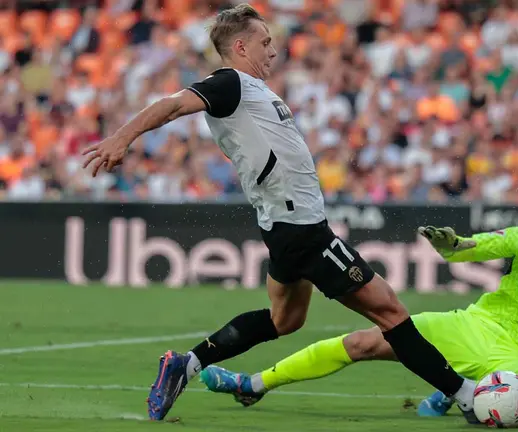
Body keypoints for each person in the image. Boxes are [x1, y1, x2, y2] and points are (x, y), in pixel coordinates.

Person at [81, 4, 478, 421]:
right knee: (391, 313)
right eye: (264, 42)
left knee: (285, 319)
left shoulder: (254, 90)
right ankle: (466, 394)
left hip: (286, 228)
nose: (273, 51)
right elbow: (173, 105)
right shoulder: (229, 82)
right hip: (303, 230)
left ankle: (187, 364)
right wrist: (121, 138)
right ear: (239, 46)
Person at [199, 191, 518, 421]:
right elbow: (476, 247)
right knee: (360, 343)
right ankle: (255, 382)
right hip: (470, 327)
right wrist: (454, 244)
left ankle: (476, 391)